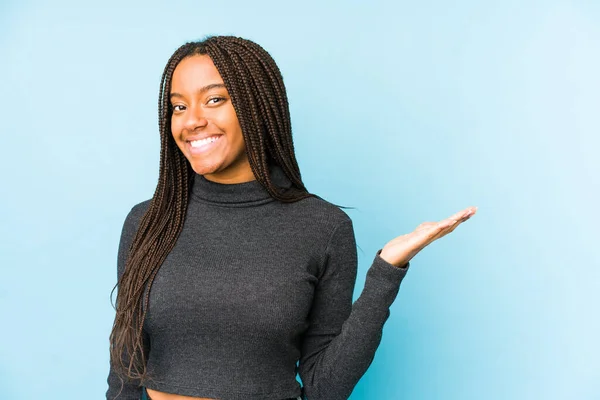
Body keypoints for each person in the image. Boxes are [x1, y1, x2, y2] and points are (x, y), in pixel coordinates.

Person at [105, 35, 477, 400]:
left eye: (214, 99)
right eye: (179, 107)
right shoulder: (148, 222)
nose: (192, 121)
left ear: (257, 107)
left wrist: (387, 271)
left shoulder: (323, 228)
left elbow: (323, 389)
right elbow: (124, 373)